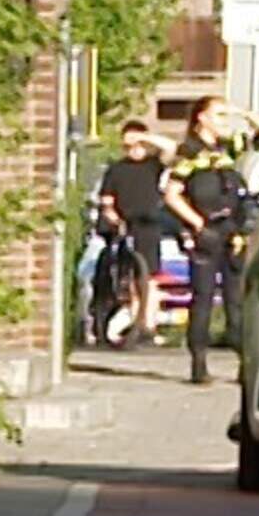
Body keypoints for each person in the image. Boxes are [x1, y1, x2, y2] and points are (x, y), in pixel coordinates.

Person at [164, 99, 259, 388]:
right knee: (203, 297)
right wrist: (197, 224)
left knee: (236, 299)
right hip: (206, 231)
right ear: (202, 118)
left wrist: (242, 113)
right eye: (218, 115)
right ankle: (199, 364)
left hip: (232, 231)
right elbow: (172, 194)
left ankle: (243, 364)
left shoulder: (227, 148)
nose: (224, 121)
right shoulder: (189, 152)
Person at [87, 120, 175, 346]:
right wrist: (115, 219)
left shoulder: (154, 165)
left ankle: (148, 325)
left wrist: (144, 137)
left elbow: (171, 148)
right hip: (126, 225)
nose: (134, 149)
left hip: (149, 225)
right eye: (129, 145)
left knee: (150, 278)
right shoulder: (116, 169)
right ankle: (135, 322)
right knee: (130, 279)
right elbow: (107, 201)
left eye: (139, 144)